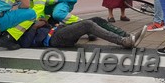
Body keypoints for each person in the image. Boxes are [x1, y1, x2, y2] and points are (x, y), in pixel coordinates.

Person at [4, 0, 84, 43]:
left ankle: (83, 24)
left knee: (58, 14)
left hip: (65, 0)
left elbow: (38, 8)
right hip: (53, 4)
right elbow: (34, 10)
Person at [19, 17, 147, 49]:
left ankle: (127, 36)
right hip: (55, 38)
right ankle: (124, 42)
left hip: (59, 30)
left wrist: (47, 23)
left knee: (96, 19)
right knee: (87, 25)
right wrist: (35, 27)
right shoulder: (15, 30)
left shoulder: (25, 17)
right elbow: (25, 43)